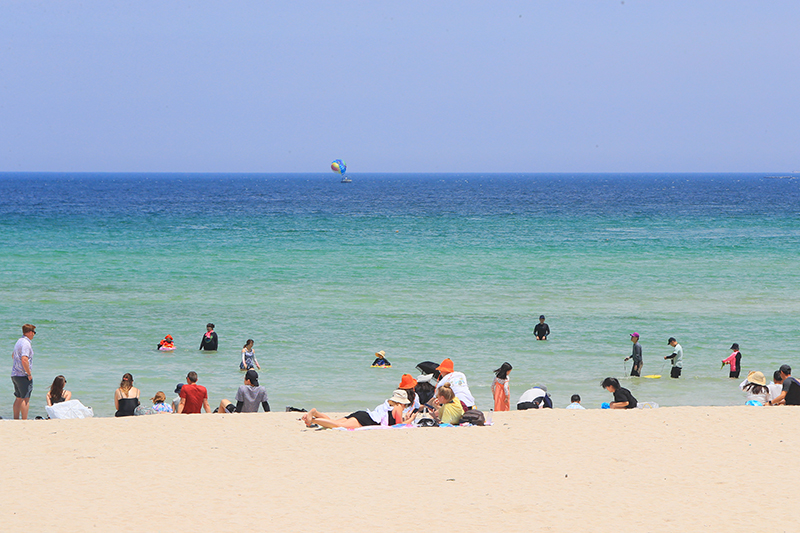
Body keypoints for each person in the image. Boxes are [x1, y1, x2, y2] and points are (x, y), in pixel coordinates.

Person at [301, 389, 413, 429]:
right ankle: (313, 420)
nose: (404, 406)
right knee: (338, 426)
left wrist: (405, 418)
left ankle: (315, 413)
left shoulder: (388, 405)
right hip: (365, 420)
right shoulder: (398, 407)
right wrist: (409, 420)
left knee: (333, 423)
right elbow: (398, 426)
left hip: (363, 415)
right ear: (401, 402)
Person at [11, 324, 36, 419]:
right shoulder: (26, 343)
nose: (34, 334)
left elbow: (13, 355)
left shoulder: (19, 341)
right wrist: (28, 373)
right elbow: (24, 359)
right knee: (25, 398)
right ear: (30, 332)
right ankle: (24, 419)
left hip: (15, 374)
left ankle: (16, 419)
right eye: (34, 332)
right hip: (22, 375)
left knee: (18, 398)